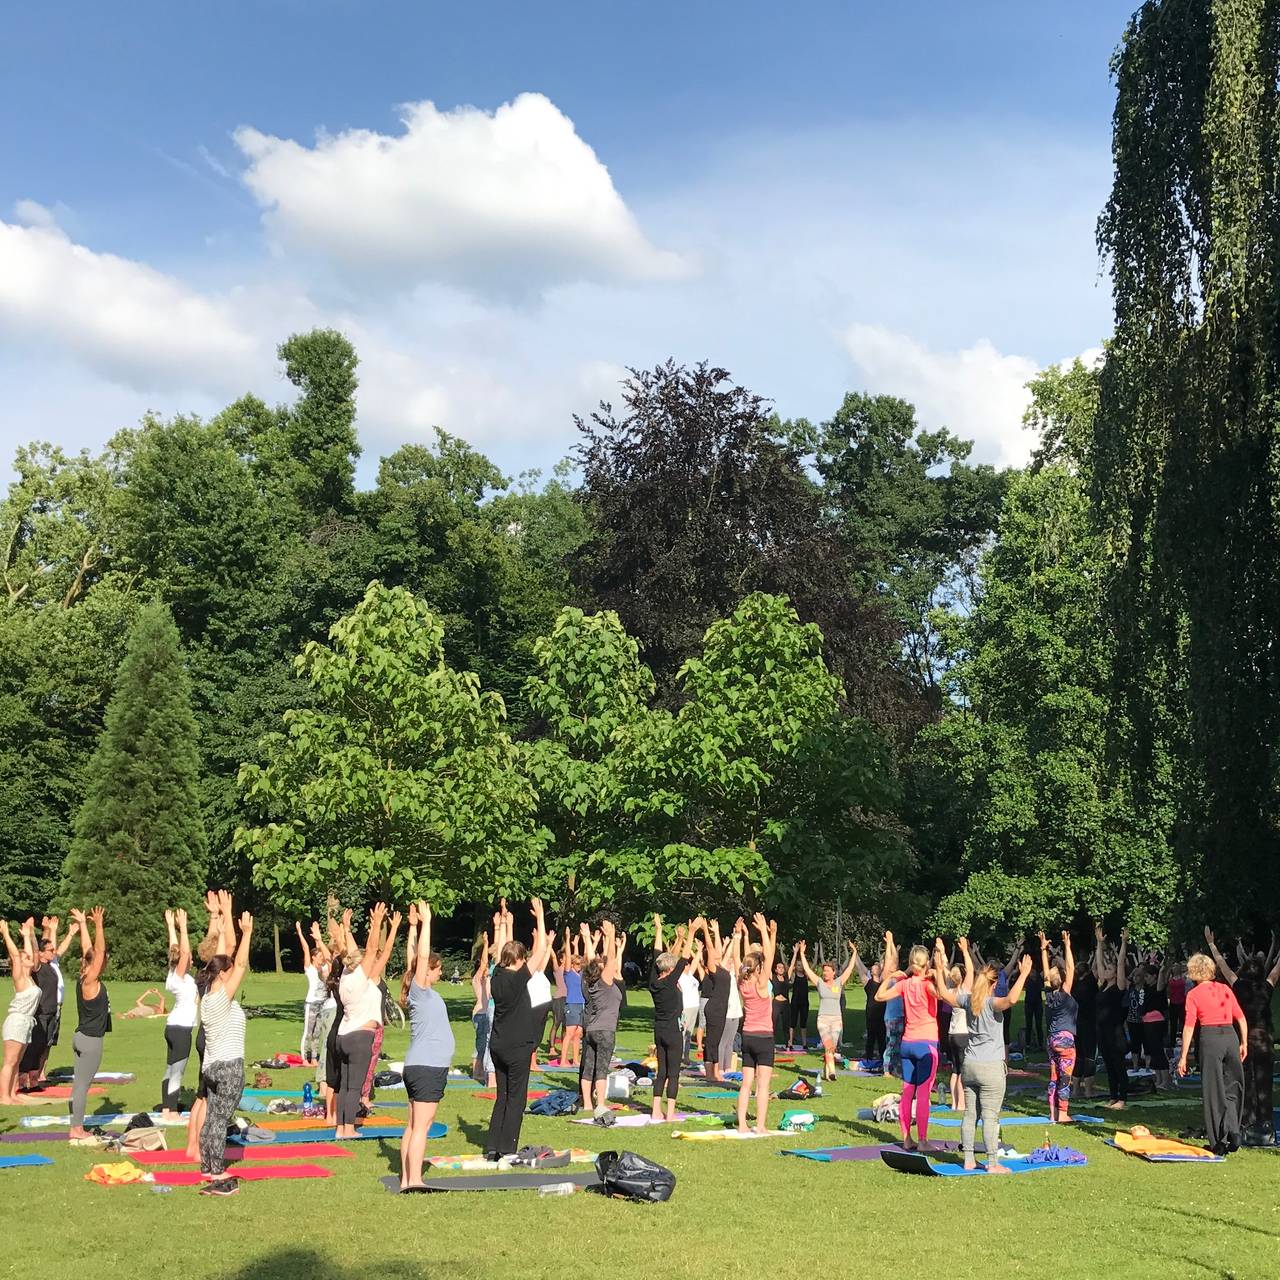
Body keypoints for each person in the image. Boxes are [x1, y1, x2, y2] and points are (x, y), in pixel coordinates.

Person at [937, 939, 1032, 1173]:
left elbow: (942, 993)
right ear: (993, 984)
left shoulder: (969, 1001)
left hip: (970, 1066)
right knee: (990, 1116)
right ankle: (992, 1162)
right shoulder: (989, 1003)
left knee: (971, 1114)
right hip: (990, 1067)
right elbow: (1010, 1000)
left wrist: (939, 967)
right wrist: (1024, 974)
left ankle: (968, 1160)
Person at [485, 899, 554, 1159]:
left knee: (502, 1096)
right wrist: (540, 917)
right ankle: (507, 1149)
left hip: (498, 1044)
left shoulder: (497, 975)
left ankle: (493, 1146)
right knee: (516, 1099)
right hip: (517, 1046)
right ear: (519, 960)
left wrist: (506, 926)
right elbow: (541, 952)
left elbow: (505, 951)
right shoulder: (517, 978)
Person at [194, 897, 253, 1195]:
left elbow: (221, 956)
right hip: (229, 1067)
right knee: (219, 1118)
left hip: (212, 1067)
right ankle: (216, 1170)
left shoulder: (208, 993)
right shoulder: (221, 996)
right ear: (223, 974)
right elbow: (238, 962)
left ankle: (207, 1164)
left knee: (213, 1116)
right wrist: (247, 933)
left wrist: (225, 914)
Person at [1204, 928, 1280, 1145]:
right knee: (1265, 1084)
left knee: (1244, 1081)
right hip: (1264, 1041)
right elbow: (1276, 969)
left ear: (1244, 971)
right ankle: (1267, 1126)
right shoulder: (1266, 988)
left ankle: (1246, 1123)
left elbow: (1225, 968)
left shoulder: (1238, 986)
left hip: (1244, 1040)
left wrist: (1212, 944)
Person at [336, 902, 400, 1140]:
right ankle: (349, 1129)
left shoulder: (346, 975)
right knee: (354, 1086)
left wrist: (346, 928)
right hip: (360, 1037)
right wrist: (377, 925)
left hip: (343, 1035)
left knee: (344, 1086)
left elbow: (354, 952)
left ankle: (341, 1127)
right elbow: (377, 950)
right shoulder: (366, 978)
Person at [400, 901, 453, 1190]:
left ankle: (408, 1178)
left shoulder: (420, 991)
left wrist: (411, 926)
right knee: (422, 1125)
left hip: (422, 1065)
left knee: (413, 1125)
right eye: (438, 969)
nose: (440, 973)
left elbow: (413, 958)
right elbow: (420, 957)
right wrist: (427, 922)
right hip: (426, 1066)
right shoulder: (419, 992)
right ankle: (414, 1180)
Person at [874, 938, 944, 1151]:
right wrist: (938, 972)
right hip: (927, 1043)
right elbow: (942, 995)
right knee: (923, 1094)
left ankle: (907, 1138)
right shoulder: (927, 984)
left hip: (907, 1043)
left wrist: (891, 977)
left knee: (907, 1092)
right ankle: (922, 1140)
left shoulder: (904, 984)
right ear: (926, 964)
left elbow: (879, 996)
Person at [1178, 951, 1248, 1155]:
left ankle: (1219, 1141)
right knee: (1233, 1085)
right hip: (1230, 1035)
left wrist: (1183, 1056)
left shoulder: (1194, 994)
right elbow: (1241, 1018)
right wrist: (1244, 1042)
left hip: (1210, 1038)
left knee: (1213, 1090)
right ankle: (1234, 1130)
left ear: (1193, 972)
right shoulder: (1225, 989)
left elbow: (1189, 1026)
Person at [66, 907, 111, 1143]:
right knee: (82, 1086)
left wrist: (84, 924)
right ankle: (77, 1129)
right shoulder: (91, 980)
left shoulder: (85, 975)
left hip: (80, 1036)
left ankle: (74, 1124)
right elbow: (99, 950)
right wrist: (99, 924)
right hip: (91, 1041)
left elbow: (89, 951)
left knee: (78, 1084)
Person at [735, 914, 778, 1134]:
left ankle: (742, 1124)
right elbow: (769, 956)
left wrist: (736, 936)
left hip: (748, 1036)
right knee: (763, 1086)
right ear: (759, 968)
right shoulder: (762, 984)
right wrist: (764, 931)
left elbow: (736, 960)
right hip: (764, 1038)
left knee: (746, 1084)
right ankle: (760, 1126)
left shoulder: (741, 983)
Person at [580, 917, 625, 1122]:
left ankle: (587, 1104)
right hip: (605, 1031)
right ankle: (599, 1104)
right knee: (601, 1069)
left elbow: (591, 961)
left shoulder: (589, 980)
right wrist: (610, 936)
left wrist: (589, 939)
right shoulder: (604, 981)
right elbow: (612, 960)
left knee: (588, 1066)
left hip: (590, 1030)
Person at [649, 915, 693, 1122]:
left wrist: (658, 929)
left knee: (661, 1072)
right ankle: (671, 1114)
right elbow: (684, 960)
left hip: (659, 1030)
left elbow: (657, 953)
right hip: (674, 1032)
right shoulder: (670, 982)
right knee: (673, 1073)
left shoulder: (654, 982)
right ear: (669, 970)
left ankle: (655, 1110)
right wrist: (691, 933)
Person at [798, 939, 857, 1081]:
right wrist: (801, 953)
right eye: (823, 970)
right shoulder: (819, 983)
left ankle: (826, 1071)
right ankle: (832, 1073)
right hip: (823, 1019)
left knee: (831, 1048)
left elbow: (849, 969)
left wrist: (854, 952)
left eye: (827, 971)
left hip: (836, 1019)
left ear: (833, 972)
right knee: (828, 1045)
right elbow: (807, 970)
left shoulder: (839, 982)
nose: (825, 973)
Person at [161, 908, 197, 1118]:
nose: (190, 959)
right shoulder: (181, 976)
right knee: (178, 1071)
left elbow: (174, 950)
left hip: (173, 1026)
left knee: (170, 1069)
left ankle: (167, 1106)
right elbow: (183, 952)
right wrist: (182, 926)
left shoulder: (173, 974)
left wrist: (170, 926)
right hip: (181, 1029)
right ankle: (171, 1110)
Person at [1039, 930, 1077, 1122]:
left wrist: (1043, 950)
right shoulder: (1064, 994)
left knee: (1054, 1076)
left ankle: (1052, 1113)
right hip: (1065, 1039)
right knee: (1065, 1078)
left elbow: (1047, 976)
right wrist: (1067, 946)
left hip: (1051, 1039)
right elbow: (1070, 969)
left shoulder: (1049, 994)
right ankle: (1062, 1113)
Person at [17, 926, 60, 1091]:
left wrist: (50, 929)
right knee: (32, 1048)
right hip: (40, 1014)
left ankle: (34, 1083)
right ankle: (22, 1082)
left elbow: (50, 948)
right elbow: (35, 952)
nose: (53, 952)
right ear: (41, 953)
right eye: (49, 950)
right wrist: (31, 936)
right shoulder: (38, 967)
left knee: (41, 1047)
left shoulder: (51, 966)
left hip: (51, 1013)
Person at [0, 918, 38, 1104]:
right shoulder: (19, 978)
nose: (29, 959)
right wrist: (6, 934)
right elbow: (16, 957)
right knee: (10, 1061)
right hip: (16, 1021)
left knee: (17, 1062)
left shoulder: (28, 977)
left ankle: (12, 1093)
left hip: (26, 1022)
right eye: (26, 959)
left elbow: (25, 955)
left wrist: (26, 936)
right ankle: (4, 1096)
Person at [1094, 923, 1129, 1109]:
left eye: (1109, 968)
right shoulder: (1102, 986)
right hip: (1102, 1031)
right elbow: (1099, 964)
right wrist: (1099, 944)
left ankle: (1122, 1099)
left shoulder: (1119, 987)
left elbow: (1121, 962)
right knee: (1108, 1065)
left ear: (1115, 973)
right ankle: (1113, 1096)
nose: (1105, 970)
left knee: (1118, 1065)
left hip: (1115, 1032)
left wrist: (1124, 942)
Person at [699, 921, 731, 1082]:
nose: (718, 951)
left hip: (721, 1008)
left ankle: (713, 1072)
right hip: (714, 1008)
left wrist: (716, 931)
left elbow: (718, 948)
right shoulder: (713, 969)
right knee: (712, 1041)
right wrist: (705, 930)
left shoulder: (722, 967)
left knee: (715, 1041)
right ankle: (712, 1073)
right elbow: (711, 949)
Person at [296, 920, 328, 1067]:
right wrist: (300, 931)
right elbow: (305, 948)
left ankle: (314, 1058)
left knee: (317, 1033)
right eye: (319, 956)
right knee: (308, 1032)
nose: (322, 958)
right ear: (314, 957)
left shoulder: (323, 969)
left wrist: (318, 938)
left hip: (322, 1003)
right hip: (311, 1003)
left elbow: (320, 949)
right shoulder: (309, 968)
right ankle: (304, 1059)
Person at [854, 952, 887, 1067]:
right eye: (872, 968)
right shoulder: (867, 983)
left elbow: (888, 967)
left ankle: (883, 1059)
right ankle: (869, 1057)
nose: (873, 969)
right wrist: (855, 953)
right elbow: (859, 968)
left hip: (882, 1013)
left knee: (882, 1037)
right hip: (871, 1014)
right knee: (871, 1037)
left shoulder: (884, 983)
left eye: (876, 968)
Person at [944, 964, 969, 1111]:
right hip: (963, 1033)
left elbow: (947, 976)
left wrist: (942, 960)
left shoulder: (950, 991)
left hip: (951, 1034)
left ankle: (954, 1103)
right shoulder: (963, 991)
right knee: (962, 1071)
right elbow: (971, 971)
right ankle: (961, 1104)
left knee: (955, 1069)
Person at [881, 932, 905, 1077]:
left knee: (899, 1044)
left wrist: (892, 942)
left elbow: (894, 958)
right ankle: (886, 1069)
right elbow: (889, 960)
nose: (892, 964)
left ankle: (896, 1069)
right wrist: (889, 943)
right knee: (890, 1043)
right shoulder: (887, 979)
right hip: (890, 1017)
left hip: (901, 1016)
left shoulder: (901, 977)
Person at [561, 937, 585, 1071]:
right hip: (572, 1004)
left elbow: (579, 957)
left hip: (581, 1004)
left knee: (578, 1033)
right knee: (569, 1033)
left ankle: (575, 1059)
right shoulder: (568, 973)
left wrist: (577, 944)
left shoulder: (580, 974)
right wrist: (569, 941)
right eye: (576, 964)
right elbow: (570, 958)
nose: (579, 966)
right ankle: (563, 1060)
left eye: (580, 964)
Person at [678, 948, 702, 1064]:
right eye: (686, 965)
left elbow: (695, 963)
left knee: (688, 1033)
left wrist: (699, 951)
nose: (688, 966)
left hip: (694, 1007)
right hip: (686, 1007)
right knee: (683, 1032)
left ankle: (686, 1056)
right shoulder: (680, 977)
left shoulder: (690, 975)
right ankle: (680, 1055)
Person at [788, 942, 810, 1051]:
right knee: (792, 1022)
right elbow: (790, 966)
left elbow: (813, 964)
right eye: (798, 965)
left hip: (804, 1002)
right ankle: (790, 1042)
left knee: (803, 1023)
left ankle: (804, 1043)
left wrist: (803, 953)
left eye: (801, 965)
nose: (800, 967)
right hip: (795, 1001)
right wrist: (795, 953)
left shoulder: (806, 976)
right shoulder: (793, 975)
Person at [771, 954, 791, 1047]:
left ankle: (787, 1044)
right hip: (776, 1003)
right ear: (775, 969)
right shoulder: (773, 977)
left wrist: (795, 953)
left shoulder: (786, 977)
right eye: (779, 967)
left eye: (782, 967)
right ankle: (772, 1044)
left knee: (786, 1024)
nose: (781, 969)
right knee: (774, 1023)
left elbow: (791, 966)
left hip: (786, 1003)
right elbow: (766, 967)